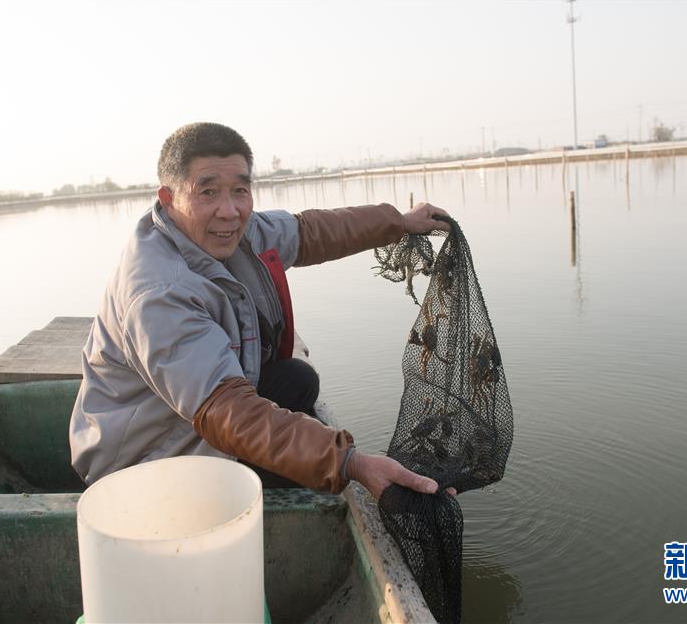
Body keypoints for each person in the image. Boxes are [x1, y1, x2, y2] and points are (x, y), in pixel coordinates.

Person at [69, 122, 452, 499]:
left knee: (297, 380)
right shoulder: (159, 293)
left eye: (240, 190)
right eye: (208, 192)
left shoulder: (230, 231)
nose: (229, 211)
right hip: (142, 464)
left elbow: (310, 232)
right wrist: (351, 462)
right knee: (312, 468)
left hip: (186, 416)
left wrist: (399, 222)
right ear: (169, 199)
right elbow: (226, 412)